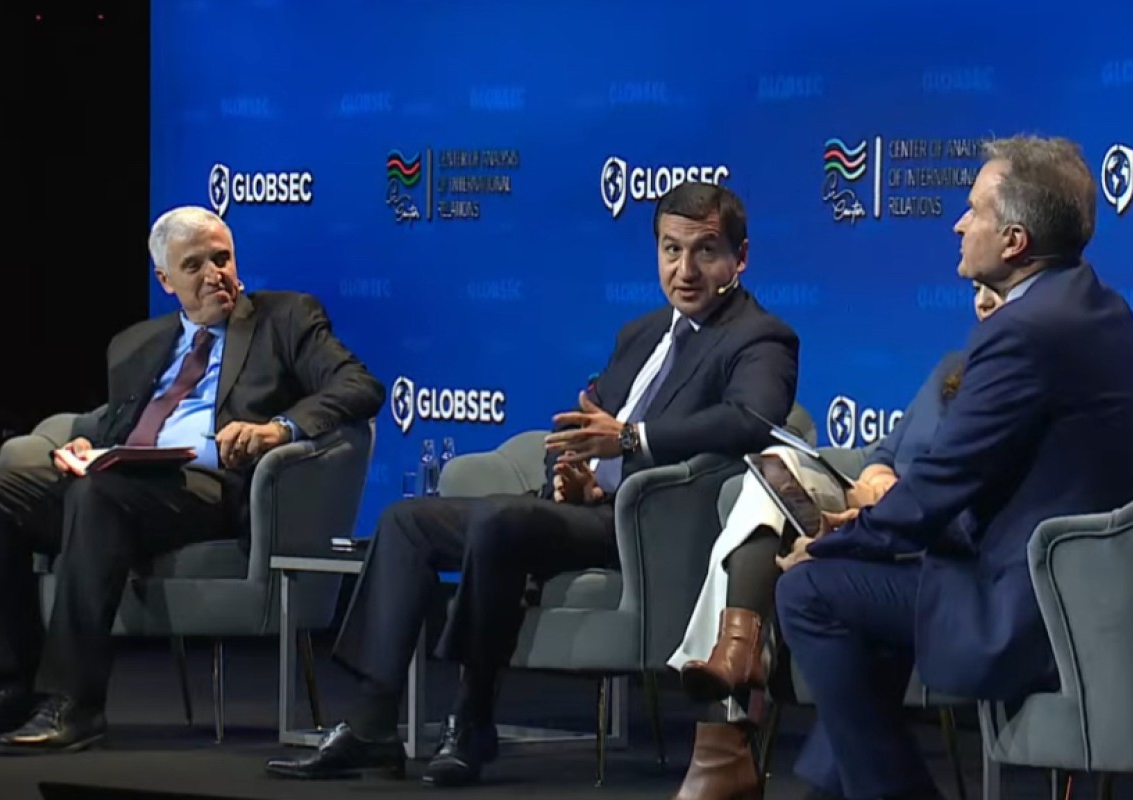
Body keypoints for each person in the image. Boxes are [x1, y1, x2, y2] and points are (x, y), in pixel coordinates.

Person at [266, 182, 801, 786]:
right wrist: (569, 473)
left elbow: (751, 420)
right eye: (671, 250)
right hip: (581, 507)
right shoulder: (642, 332)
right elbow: (585, 423)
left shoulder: (760, 336)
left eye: (705, 251)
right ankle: (371, 725)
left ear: (740, 256)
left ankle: (472, 718)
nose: (685, 270)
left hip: (649, 526)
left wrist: (630, 441)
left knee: (502, 521)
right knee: (406, 521)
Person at [772, 135, 1133, 800]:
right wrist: (869, 533)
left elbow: (939, 485)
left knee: (808, 591)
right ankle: (826, 790)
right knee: (872, 589)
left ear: (1014, 241)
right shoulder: (1096, 305)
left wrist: (834, 541)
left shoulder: (1023, 331)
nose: (958, 224)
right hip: (1087, 591)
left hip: (1033, 607)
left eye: (973, 211)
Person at [0, 206, 384, 754]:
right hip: (121, 479)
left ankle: (73, 701)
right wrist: (87, 445)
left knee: (97, 495)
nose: (214, 274)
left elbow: (360, 385)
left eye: (222, 259)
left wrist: (278, 427)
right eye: (193, 265)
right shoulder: (135, 343)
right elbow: (120, 422)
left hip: (208, 486)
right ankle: (8, 684)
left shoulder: (285, 318)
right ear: (165, 280)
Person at [669, 283, 1004, 799]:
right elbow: (883, 451)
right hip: (875, 511)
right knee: (772, 472)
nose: (982, 302)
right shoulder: (951, 368)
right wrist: (878, 481)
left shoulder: (1007, 387)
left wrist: (884, 508)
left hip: (916, 538)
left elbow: (958, 499)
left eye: (996, 292)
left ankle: (735, 680)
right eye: (978, 290)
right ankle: (739, 654)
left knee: (806, 585)